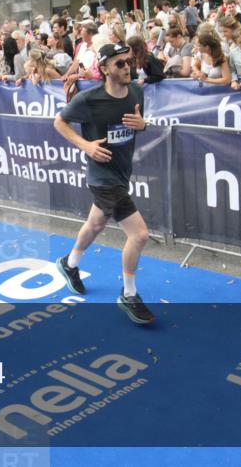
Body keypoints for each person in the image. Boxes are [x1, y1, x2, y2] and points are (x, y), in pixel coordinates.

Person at [53, 43, 152, 325]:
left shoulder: (136, 91)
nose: (126, 68)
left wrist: (142, 125)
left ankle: (69, 264)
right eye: (119, 64)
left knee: (96, 223)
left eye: (128, 62)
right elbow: (59, 122)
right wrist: (85, 145)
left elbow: (139, 124)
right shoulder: (89, 99)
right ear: (105, 68)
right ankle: (129, 294)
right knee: (139, 235)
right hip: (102, 178)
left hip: (121, 173)